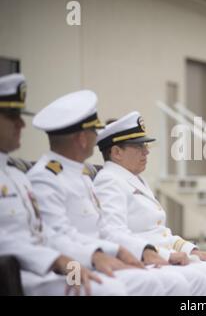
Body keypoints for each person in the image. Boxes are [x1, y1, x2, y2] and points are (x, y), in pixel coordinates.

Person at [27, 90, 193, 295]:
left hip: (89, 259)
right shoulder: (45, 177)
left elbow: (103, 229)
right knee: (119, 289)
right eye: (94, 131)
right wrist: (96, 256)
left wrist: (129, 251)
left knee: (169, 283)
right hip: (64, 269)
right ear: (81, 138)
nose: (98, 136)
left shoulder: (81, 176)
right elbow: (54, 236)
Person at [94, 111, 206, 296]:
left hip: (166, 257)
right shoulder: (109, 181)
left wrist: (189, 249)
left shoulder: (134, 179)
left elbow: (158, 232)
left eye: (145, 145)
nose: (146, 151)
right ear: (116, 152)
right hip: (149, 261)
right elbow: (113, 233)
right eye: (139, 146)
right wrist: (166, 255)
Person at [0, 73, 127, 296]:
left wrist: (104, 253)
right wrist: (64, 261)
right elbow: (8, 242)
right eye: (12, 116)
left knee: (118, 284)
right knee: (110, 290)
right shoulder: (42, 176)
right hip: (23, 277)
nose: (21, 124)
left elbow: (43, 233)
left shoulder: (16, 176)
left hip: (53, 267)